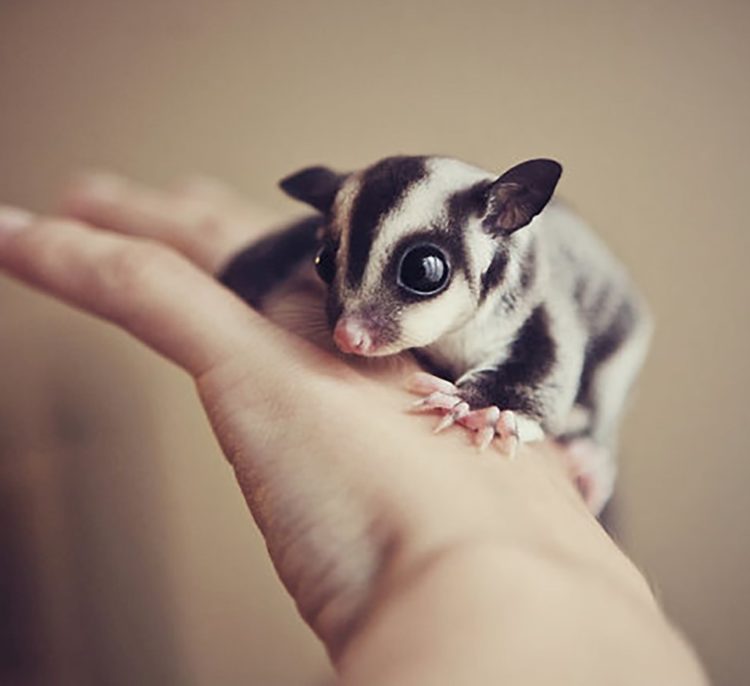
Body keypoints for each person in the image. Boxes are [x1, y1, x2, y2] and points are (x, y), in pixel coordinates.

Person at [0, 174, 706, 685]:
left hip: (605, 344)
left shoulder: (527, 281)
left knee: (595, 388)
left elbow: (557, 359)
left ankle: (598, 445)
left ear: (503, 222)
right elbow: (295, 249)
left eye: (420, 272)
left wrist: (504, 405)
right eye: (332, 270)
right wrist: (255, 275)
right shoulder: (361, 259)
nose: (348, 330)